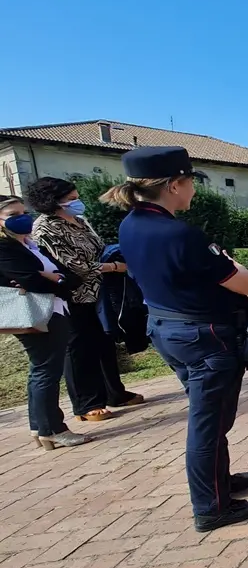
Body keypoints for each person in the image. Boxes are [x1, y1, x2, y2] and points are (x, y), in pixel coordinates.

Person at [112, 146, 248, 532]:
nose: (194, 189)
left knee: (211, 415)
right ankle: (212, 507)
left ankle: (219, 483)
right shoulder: (180, 233)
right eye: (192, 181)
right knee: (208, 422)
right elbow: (242, 282)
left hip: (169, 329)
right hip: (204, 336)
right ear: (175, 185)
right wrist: (233, 261)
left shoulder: (131, 224)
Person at [29, 177, 143, 422]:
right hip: (72, 294)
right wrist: (113, 266)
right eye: (71, 199)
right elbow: (73, 265)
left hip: (99, 292)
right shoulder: (45, 228)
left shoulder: (79, 221)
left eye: (76, 197)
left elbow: (98, 247)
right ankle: (86, 403)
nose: (77, 202)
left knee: (104, 342)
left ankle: (115, 392)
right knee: (79, 347)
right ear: (52, 201)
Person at [0, 195, 89, 449]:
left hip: (53, 308)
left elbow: (72, 277)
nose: (22, 218)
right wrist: (51, 279)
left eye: (23, 212)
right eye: (13, 215)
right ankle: (52, 428)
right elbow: (31, 280)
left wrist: (54, 278)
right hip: (37, 313)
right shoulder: (5, 248)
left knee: (41, 369)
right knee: (46, 370)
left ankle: (38, 427)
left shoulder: (31, 245)